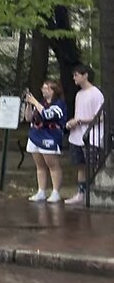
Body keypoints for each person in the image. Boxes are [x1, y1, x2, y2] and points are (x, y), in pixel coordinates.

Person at [65, 64, 104, 205]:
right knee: (80, 165)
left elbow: (99, 117)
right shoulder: (78, 94)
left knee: (91, 166)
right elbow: (77, 115)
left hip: (91, 136)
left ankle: (92, 193)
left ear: (85, 75)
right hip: (76, 136)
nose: (74, 78)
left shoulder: (96, 93)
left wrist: (80, 121)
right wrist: (73, 123)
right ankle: (81, 193)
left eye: (76, 75)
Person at [23, 80, 66, 203]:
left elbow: (48, 115)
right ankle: (41, 190)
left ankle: (55, 192)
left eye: (47, 88)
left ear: (53, 91)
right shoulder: (40, 103)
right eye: (43, 88)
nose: (43, 90)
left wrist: (35, 102)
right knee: (40, 165)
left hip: (50, 136)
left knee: (53, 165)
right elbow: (28, 118)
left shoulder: (59, 104)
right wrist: (29, 105)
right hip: (36, 134)